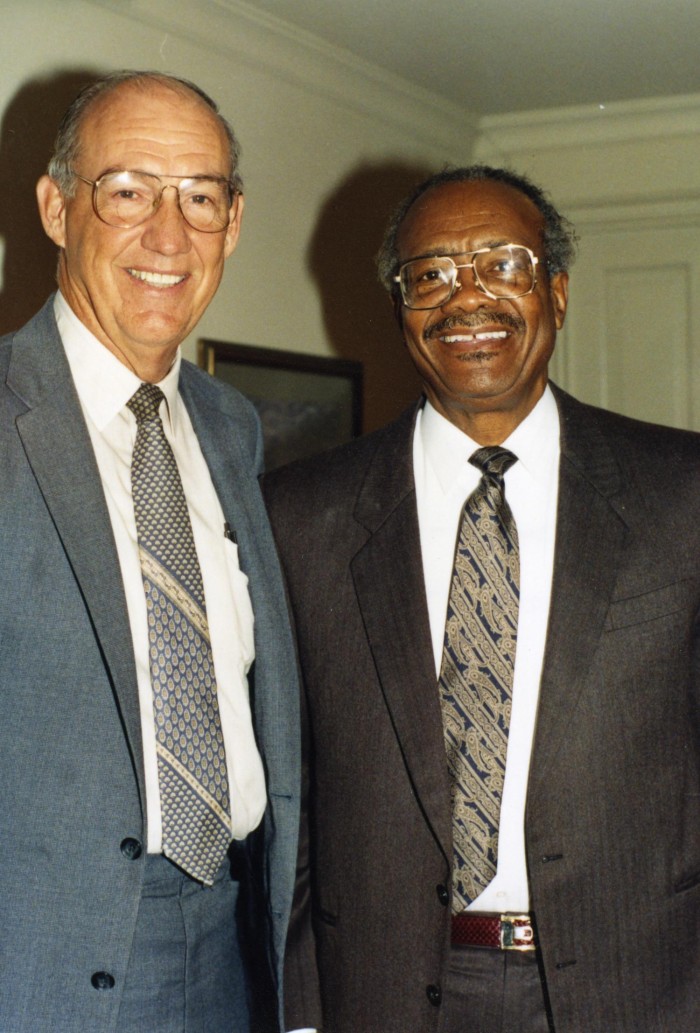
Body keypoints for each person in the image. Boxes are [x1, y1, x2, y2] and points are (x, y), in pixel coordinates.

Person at [263, 165, 700, 1033]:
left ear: (558, 292)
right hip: (384, 991)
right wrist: (304, 1008)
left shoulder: (681, 493)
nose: (468, 299)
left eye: (503, 264)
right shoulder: (300, 514)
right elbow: (292, 789)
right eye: (431, 274)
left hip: (643, 986)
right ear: (401, 309)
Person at [0, 70, 300, 1033]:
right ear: (55, 207)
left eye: (200, 198)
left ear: (234, 220)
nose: (168, 236)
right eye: (127, 190)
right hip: (37, 963)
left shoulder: (231, 427)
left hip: (232, 946)